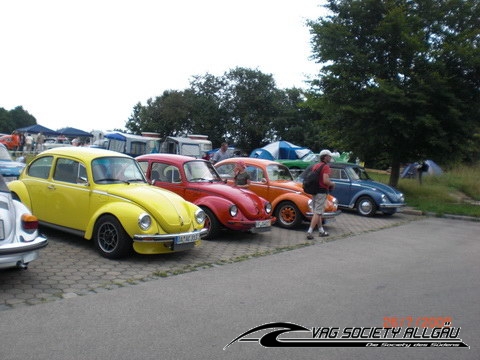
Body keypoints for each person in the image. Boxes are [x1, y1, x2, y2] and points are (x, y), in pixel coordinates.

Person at [306, 149, 335, 239]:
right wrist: (332, 184)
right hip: (322, 192)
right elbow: (325, 181)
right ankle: (309, 232)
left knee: (317, 212)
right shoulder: (326, 167)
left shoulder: (316, 166)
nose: (330, 158)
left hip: (314, 191)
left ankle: (321, 230)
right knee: (318, 212)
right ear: (325, 157)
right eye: (330, 156)